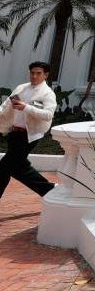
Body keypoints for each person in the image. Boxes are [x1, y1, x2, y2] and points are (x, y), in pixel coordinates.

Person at [0, 61, 56, 199]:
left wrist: (26, 107)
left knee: (4, 167)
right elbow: (6, 105)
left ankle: (49, 190)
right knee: (17, 167)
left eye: (38, 73)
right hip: (14, 133)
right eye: (32, 73)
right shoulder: (21, 88)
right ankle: (49, 190)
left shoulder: (47, 94)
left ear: (46, 75)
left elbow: (48, 115)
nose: (34, 76)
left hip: (29, 136)